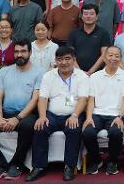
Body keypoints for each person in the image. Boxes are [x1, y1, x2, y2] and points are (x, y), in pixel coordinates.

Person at [0, 40, 44, 180]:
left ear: (30, 52)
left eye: (23, 51)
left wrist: (17, 119)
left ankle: (17, 164)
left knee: (27, 126)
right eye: (16, 52)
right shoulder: (4, 71)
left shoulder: (39, 72)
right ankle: (1, 164)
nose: (19, 54)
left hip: (27, 113)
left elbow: (35, 100)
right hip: (5, 112)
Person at [26, 46, 89, 182]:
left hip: (73, 114)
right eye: (60, 59)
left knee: (73, 129)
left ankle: (69, 166)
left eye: (67, 59)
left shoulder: (82, 76)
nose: (63, 62)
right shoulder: (48, 76)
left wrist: (75, 115)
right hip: (52, 115)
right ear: (55, 61)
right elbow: (43, 98)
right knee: (40, 127)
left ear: (74, 60)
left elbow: (83, 99)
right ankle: (39, 167)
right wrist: (42, 116)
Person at [82, 46, 124, 175]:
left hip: (116, 114)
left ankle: (112, 161)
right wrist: (89, 117)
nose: (113, 58)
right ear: (104, 57)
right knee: (87, 132)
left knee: (115, 132)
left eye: (117, 56)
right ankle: (96, 160)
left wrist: (120, 117)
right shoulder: (95, 76)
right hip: (97, 113)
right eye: (110, 55)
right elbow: (91, 100)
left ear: (120, 59)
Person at [68, 3, 112, 74]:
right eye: (85, 14)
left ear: (97, 16)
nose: (88, 16)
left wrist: (91, 72)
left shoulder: (103, 33)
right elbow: (70, 54)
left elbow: (104, 54)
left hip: (97, 73)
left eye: (92, 14)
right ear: (82, 16)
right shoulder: (74, 33)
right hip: (76, 73)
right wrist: (80, 72)